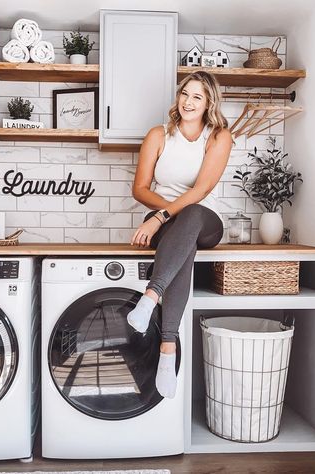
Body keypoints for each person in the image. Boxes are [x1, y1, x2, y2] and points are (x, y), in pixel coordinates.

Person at [127, 71, 232, 399]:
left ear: (209, 102)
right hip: (171, 228)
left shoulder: (219, 137)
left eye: (197, 97)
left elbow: (201, 190)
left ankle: (151, 296)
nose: (188, 101)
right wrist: (163, 215)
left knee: (191, 213)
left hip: (205, 220)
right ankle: (167, 350)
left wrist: (159, 218)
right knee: (182, 247)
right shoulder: (158, 135)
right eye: (185, 93)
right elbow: (140, 188)